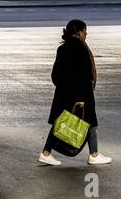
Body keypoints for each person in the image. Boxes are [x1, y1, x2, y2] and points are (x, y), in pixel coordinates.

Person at [39, 18, 110, 167]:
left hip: (63, 93)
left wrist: (63, 88)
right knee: (89, 123)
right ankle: (94, 155)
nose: (86, 34)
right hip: (80, 94)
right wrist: (80, 97)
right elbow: (83, 75)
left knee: (61, 122)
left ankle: (46, 153)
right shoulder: (80, 48)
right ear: (78, 32)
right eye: (85, 31)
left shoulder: (62, 48)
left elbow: (55, 75)